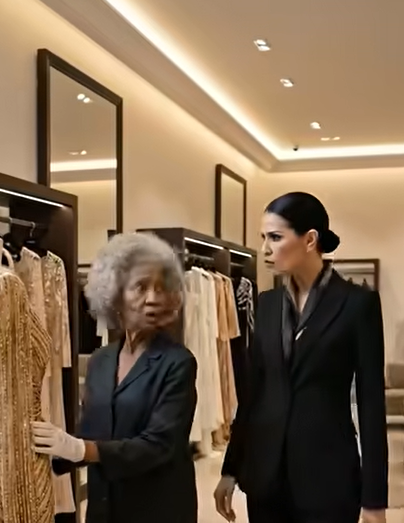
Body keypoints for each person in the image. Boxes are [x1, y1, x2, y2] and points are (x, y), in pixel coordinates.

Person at [214, 192, 388, 523]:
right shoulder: (267, 304)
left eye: (275, 237)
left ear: (309, 240)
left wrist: (374, 499)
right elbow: (252, 396)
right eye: (263, 237)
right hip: (266, 478)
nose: (265, 248)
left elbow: (371, 405)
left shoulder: (357, 305)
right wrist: (231, 468)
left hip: (328, 476)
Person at [32, 232, 198, 523]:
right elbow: (92, 430)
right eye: (141, 287)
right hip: (104, 506)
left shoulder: (178, 362)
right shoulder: (101, 360)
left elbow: (159, 444)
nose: (152, 299)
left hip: (158, 509)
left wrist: (81, 449)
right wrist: (54, 449)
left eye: (161, 289)